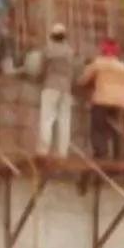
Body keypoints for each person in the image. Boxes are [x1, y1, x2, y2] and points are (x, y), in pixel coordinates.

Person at [77, 38, 124, 161]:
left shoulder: (98, 63)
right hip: (121, 102)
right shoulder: (122, 67)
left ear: (102, 51)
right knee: (118, 130)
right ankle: (120, 157)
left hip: (102, 100)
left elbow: (83, 80)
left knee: (98, 128)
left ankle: (101, 154)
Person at [36, 23, 75, 157]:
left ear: (52, 36)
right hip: (66, 88)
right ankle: (62, 152)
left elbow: (41, 69)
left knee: (47, 118)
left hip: (51, 85)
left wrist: (39, 78)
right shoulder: (70, 51)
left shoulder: (48, 50)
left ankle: (43, 150)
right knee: (64, 121)